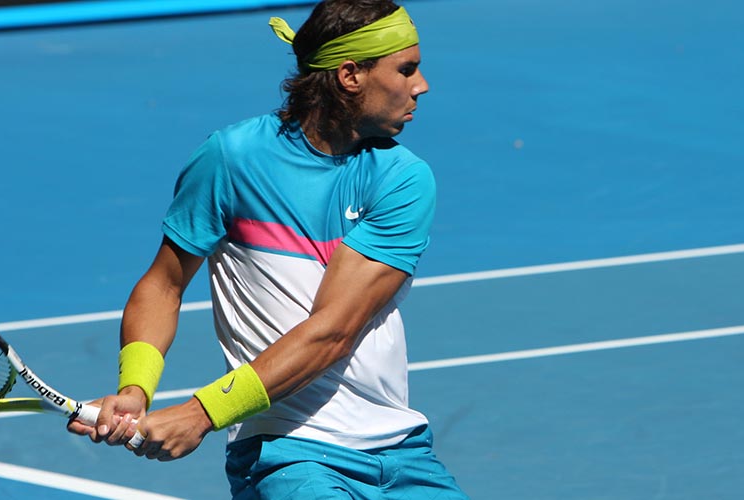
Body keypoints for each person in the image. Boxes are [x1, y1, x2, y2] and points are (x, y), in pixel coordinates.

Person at [66, 1, 469, 498]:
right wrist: (136, 387)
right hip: (289, 455)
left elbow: (333, 331)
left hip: (402, 450)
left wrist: (199, 414)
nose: (421, 85)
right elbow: (164, 285)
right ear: (350, 75)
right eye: (406, 69)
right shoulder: (231, 160)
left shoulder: (402, 180)